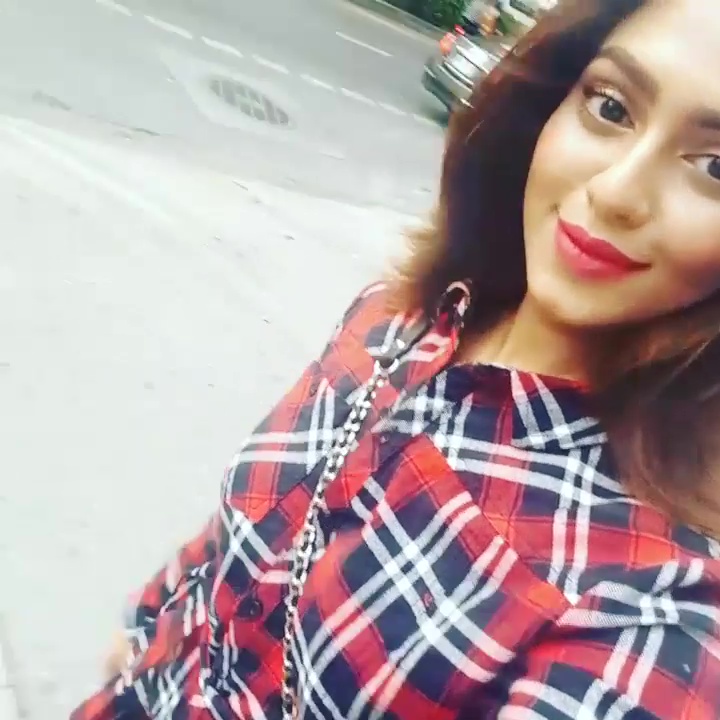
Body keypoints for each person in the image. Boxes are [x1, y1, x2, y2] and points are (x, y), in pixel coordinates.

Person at [72, 0, 720, 717]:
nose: (618, 191)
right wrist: (151, 621)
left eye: (715, 167)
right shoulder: (400, 317)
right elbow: (241, 536)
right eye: (610, 107)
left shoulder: (650, 606)